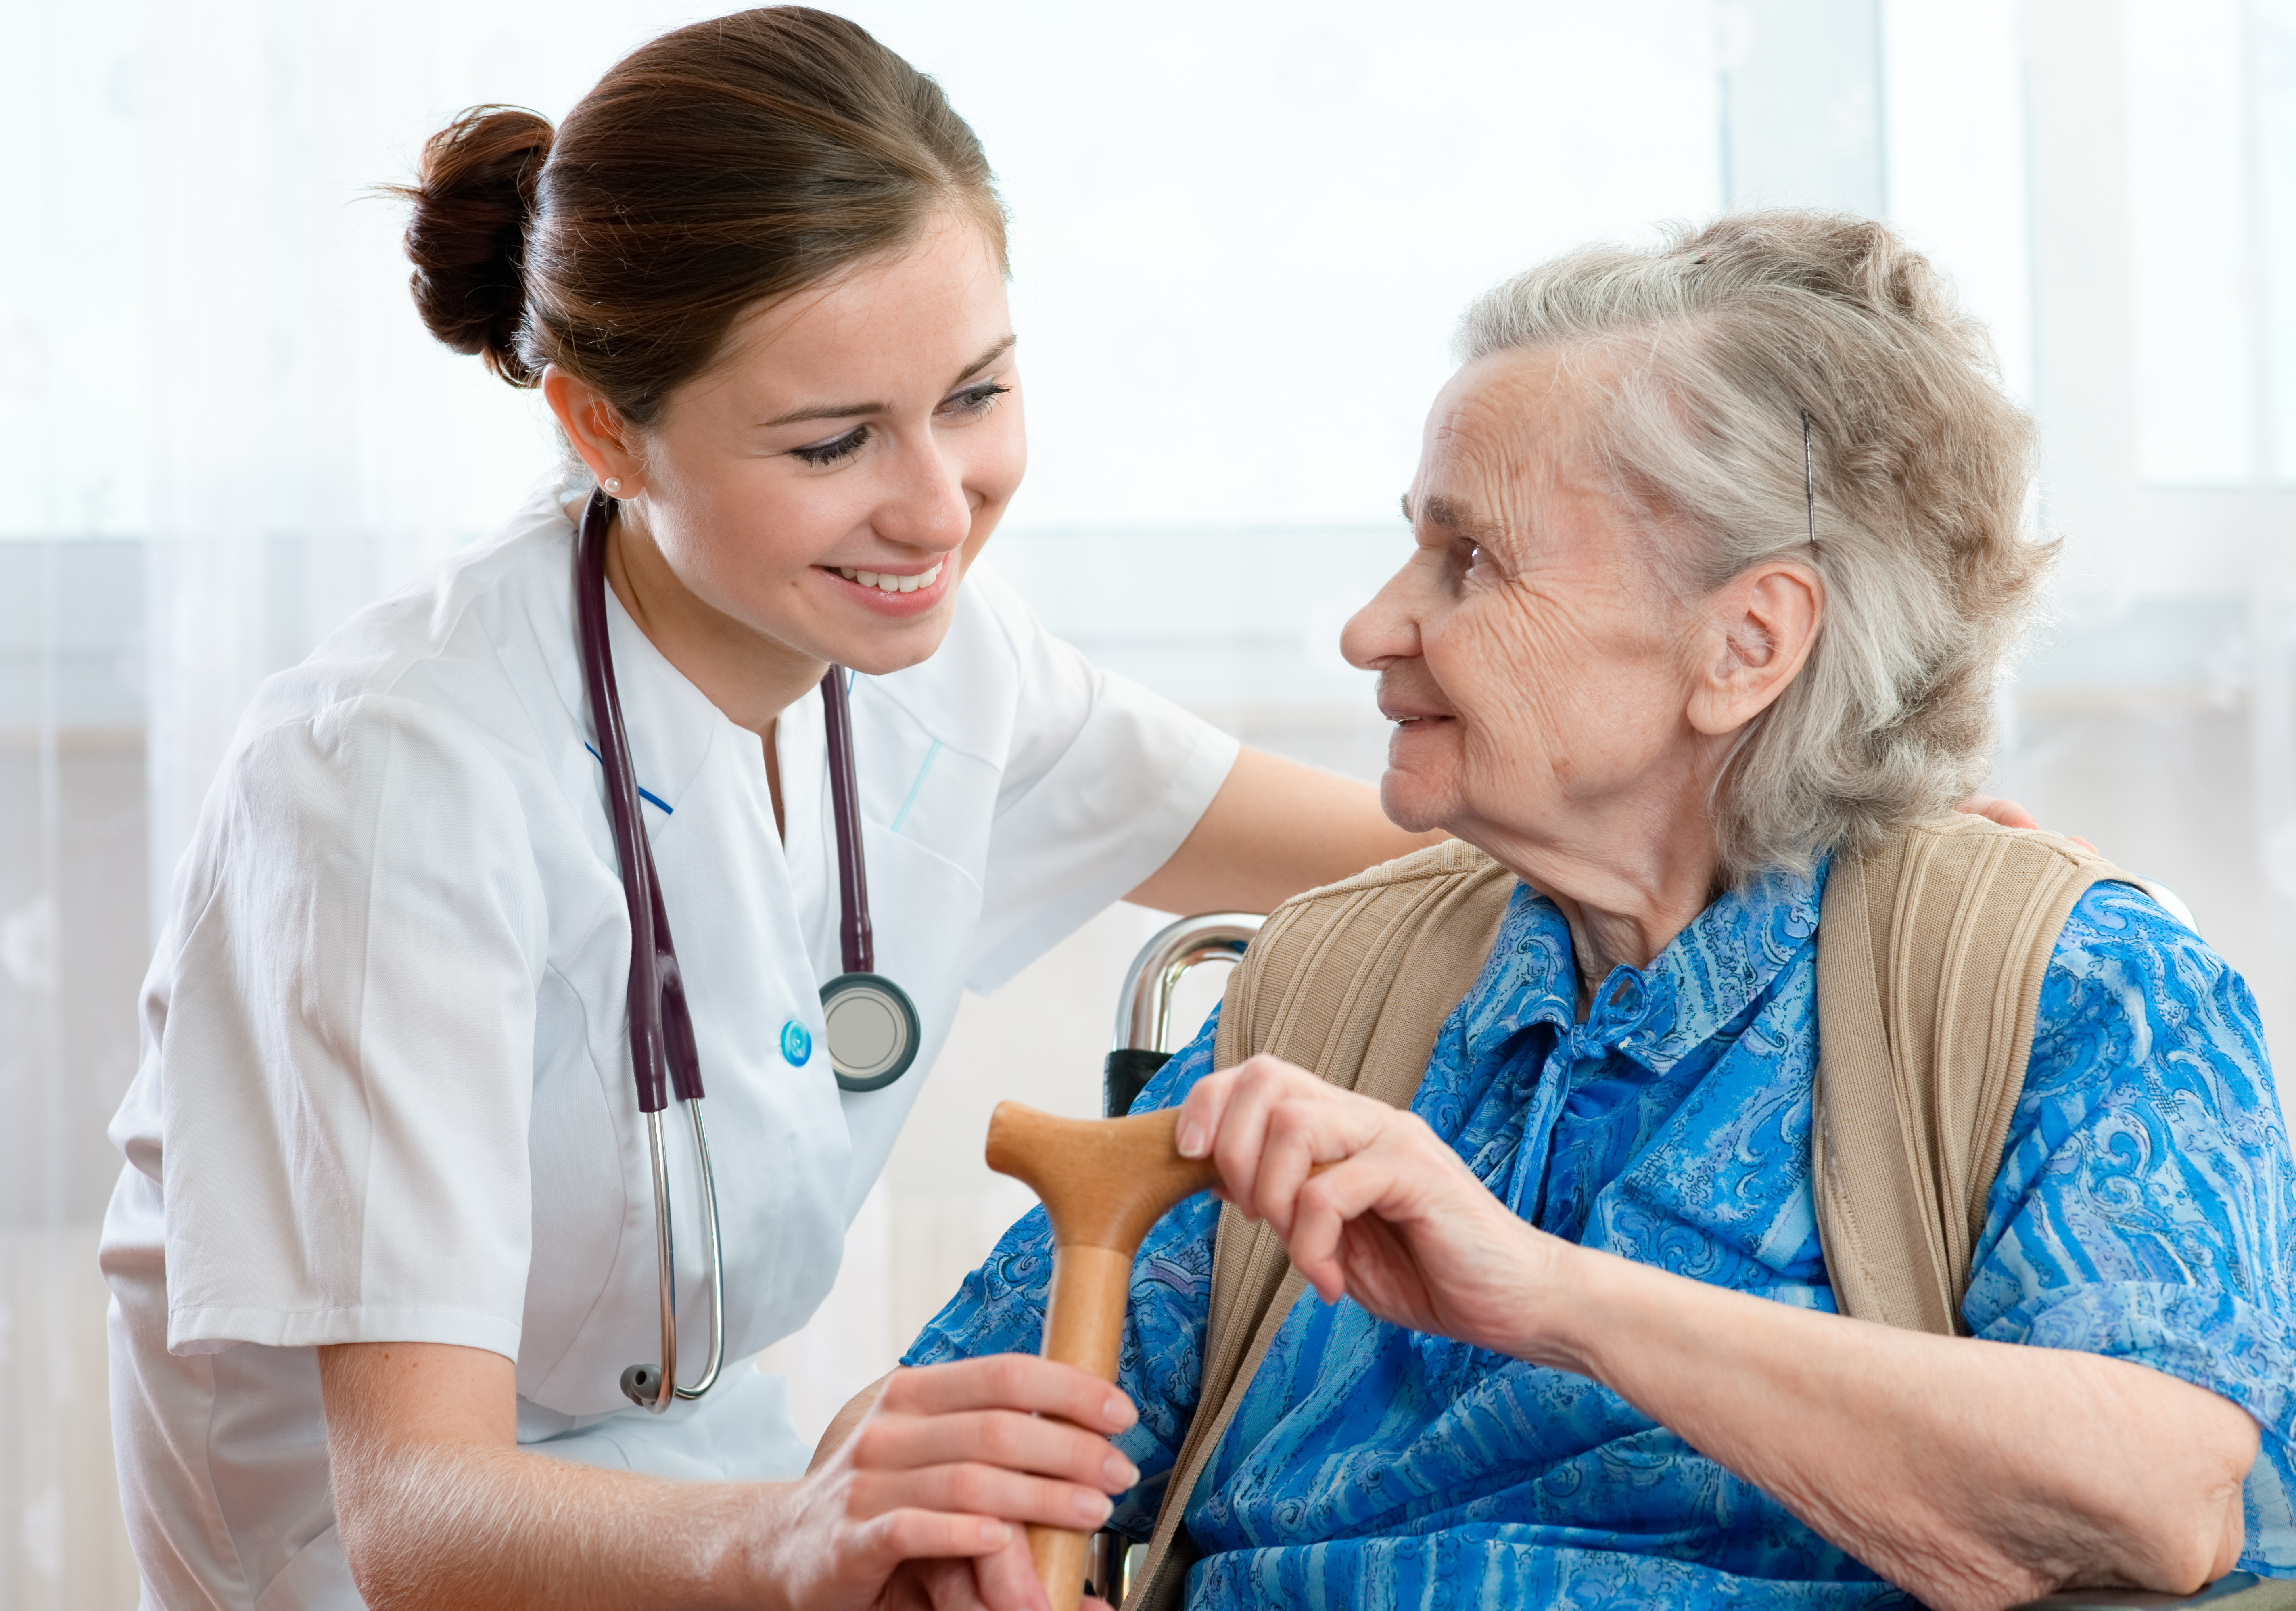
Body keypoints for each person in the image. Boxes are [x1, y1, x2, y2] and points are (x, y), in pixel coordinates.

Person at [97, 11, 1445, 1609]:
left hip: (714, 1486)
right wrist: (796, 1537)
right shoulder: (387, 780)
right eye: (830, 442)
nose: (938, 508)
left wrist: (1749, 784)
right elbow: (414, 1510)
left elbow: (1411, 850)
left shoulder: (941, 663)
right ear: (604, 426)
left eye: (974, 394)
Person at [896, 213, 2296, 1609]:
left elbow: (2162, 1498)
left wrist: (1551, 1297)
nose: (1370, 629)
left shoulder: (2064, 986)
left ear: (1746, 644)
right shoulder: (1333, 991)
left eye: (1470, 562)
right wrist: (953, 1546)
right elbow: (922, 1458)